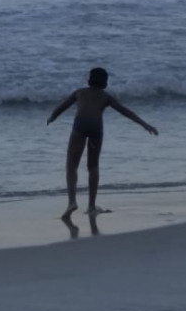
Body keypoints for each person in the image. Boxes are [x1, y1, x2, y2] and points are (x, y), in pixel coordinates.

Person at [47, 67, 157, 218]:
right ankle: (91, 205)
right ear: (105, 82)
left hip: (80, 125)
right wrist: (145, 125)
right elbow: (125, 111)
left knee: (71, 165)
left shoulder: (80, 92)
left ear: (89, 79)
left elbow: (62, 107)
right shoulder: (106, 97)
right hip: (96, 127)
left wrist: (52, 117)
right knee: (93, 166)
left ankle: (72, 202)